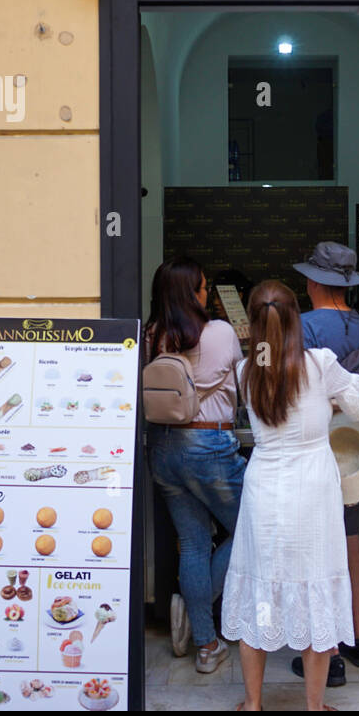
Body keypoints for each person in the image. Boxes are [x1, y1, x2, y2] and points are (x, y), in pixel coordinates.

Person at [220, 280, 359, 711]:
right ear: (296, 319)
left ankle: (252, 704)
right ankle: (314, 706)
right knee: (315, 595)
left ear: (252, 323)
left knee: (260, 592)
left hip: (265, 486)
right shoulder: (321, 363)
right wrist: (332, 403)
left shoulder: (244, 369)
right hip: (313, 488)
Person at [142, 257, 245, 674]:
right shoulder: (219, 332)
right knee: (250, 529)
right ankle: (193, 603)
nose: (208, 294)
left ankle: (206, 644)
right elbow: (243, 382)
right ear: (194, 293)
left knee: (195, 544)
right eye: (204, 287)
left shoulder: (152, 336)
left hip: (163, 448)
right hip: (210, 446)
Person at [293, 240, 359, 683]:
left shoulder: (302, 325)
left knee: (317, 550)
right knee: (351, 542)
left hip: (313, 446)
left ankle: (328, 654)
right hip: (354, 443)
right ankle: (357, 639)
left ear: (312, 281)